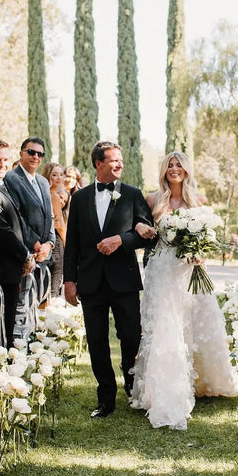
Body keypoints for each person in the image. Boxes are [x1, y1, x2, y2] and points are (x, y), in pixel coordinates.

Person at [130, 151, 238, 430]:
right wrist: (142, 225)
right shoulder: (153, 199)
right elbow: (141, 225)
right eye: (170, 164)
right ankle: (163, 386)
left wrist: (200, 253)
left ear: (186, 170)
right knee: (166, 325)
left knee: (195, 322)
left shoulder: (197, 201)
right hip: (162, 270)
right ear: (164, 170)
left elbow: (208, 237)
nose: (174, 168)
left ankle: (202, 380)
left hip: (189, 269)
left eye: (179, 164)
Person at [63, 141, 153, 419]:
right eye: (112, 160)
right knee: (97, 341)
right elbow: (73, 244)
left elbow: (148, 234)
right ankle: (105, 398)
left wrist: (121, 240)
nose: (118, 165)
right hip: (90, 282)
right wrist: (69, 280)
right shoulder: (79, 198)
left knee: (130, 336)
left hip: (124, 281)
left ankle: (131, 386)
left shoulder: (133, 195)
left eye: (120, 161)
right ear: (97, 164)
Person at [0, 139, 35, 348]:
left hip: (11, 269)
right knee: (1, 331)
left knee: (8, 328)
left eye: (4, 159)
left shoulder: (0, 185)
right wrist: (25, 255)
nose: (1, 164)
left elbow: (17, 223)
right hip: (2, 270)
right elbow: (0, 228)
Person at [4, 137, 55, 332]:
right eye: (31, 152)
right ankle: (19, 353)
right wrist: (35, 244)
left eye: (40, 154)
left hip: (42, 253)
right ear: (21, 153)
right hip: (24, 252)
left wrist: (49, 243)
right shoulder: (12, 178)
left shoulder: (42, 181)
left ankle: (32, 345)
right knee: (20, 305)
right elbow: (16, 217)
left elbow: (49, 215)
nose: (35, 156)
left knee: (35, 302)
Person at [41, 162, 67, 298]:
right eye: (54, 174)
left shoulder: (44, 193)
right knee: (57, 274)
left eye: (61, 174)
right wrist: (66, 242)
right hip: (56, 239)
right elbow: (60, 225)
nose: (59, 178)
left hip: (45, 238)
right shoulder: (53, 196)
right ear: (47, 176)